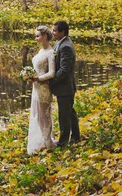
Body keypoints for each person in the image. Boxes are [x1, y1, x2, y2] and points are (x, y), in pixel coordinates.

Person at [48, 20, 81, 146]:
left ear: (63, 32)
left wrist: (51, 81)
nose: (53, 32)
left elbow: (64, 70)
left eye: (55, 30)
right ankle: (76, 137)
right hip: (64, 87)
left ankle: (63, 142)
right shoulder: (59, 43)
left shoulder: (66, 46)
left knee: (64, 116)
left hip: (65, 87)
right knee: (69, 112)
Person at [26, 25, 57, 154]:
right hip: (36, 88)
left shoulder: (50, 53)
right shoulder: (40, 52)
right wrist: (29, 77)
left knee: (44, 116)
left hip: (44, 88)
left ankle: (48, 141)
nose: (36, 38)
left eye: (38, 36)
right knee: (37, 116)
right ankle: (42, 141)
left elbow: (52, 73)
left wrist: (38, 78)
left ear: (45, 36)